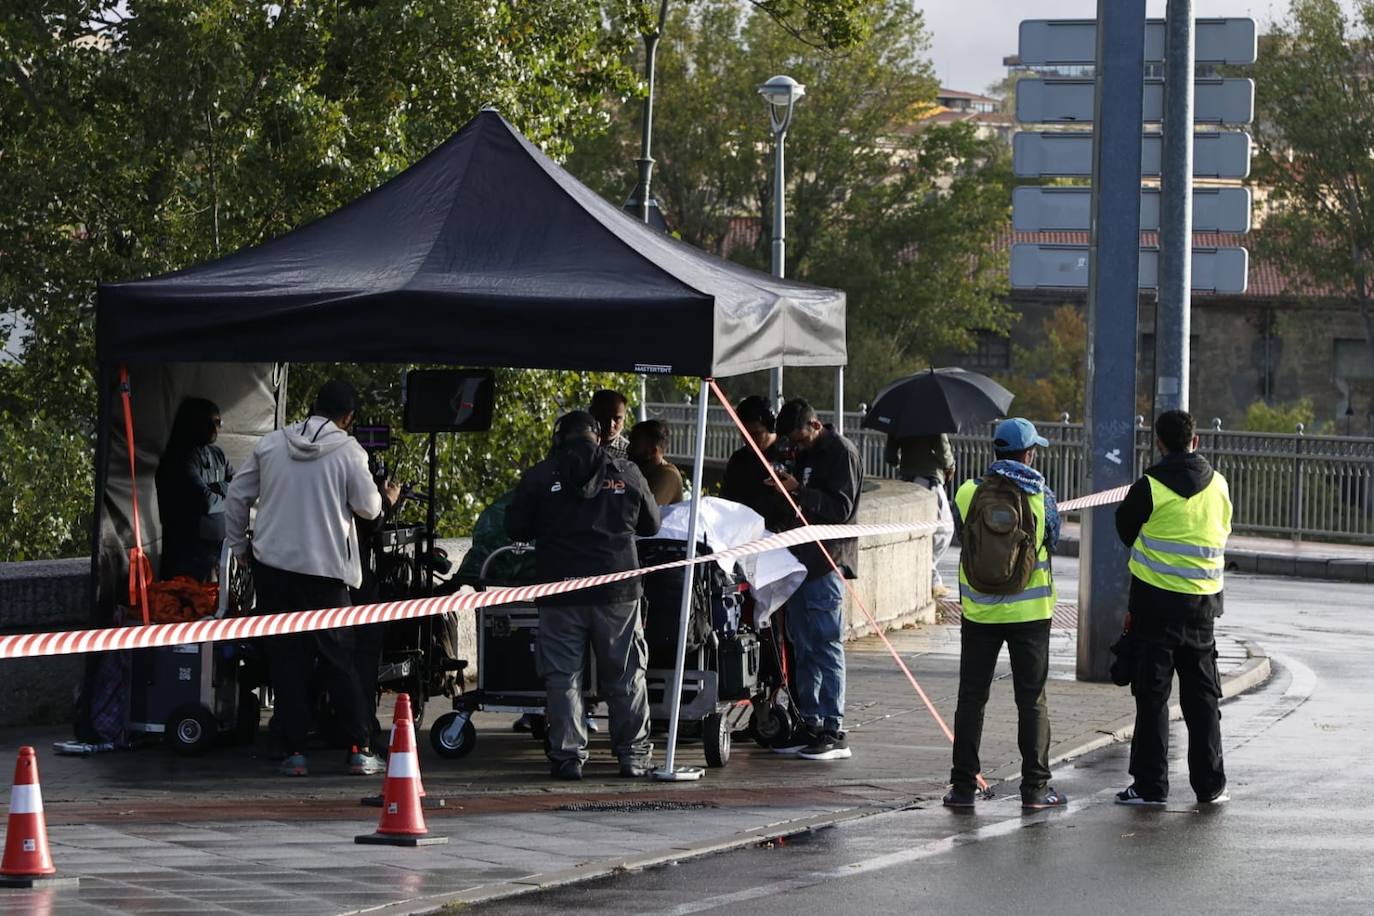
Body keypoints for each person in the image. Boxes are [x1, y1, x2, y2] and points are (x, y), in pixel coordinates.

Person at [225, 379, 400, 777]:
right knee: (340, 661)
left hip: (274, 571)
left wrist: (240, 548)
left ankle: (294, 753)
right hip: (325, 575)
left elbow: (237, 494)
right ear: (348, 418)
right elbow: (369, 509)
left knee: (287, 663)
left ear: (313, 406)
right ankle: (359, 747)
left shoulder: (272, 444)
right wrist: (387, 498)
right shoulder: (348, 451)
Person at [505, 410, 661, 780]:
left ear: (560, 438)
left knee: (563, 678)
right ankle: (633, 757)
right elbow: (651, 525)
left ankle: (568, 757)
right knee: (625, 675)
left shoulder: (540, 476)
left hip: (560, 592)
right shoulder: (628, 473)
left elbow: (515, 528)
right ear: (598, 436)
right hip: (618, 591)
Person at [944, 418, 1066, 811]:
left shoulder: (968, 492)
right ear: (1028, 453)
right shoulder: (1041, 496)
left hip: (980, 614)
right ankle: (1035, 790)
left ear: (995, 451)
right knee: (1031, 701)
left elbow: (962, 535)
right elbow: (1053, 539)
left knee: (971, 698)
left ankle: (963, 788)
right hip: (1031, 614)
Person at [1113, 409, 1233, 807]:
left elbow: (1125, 530)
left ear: (1160, 444)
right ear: (1195, 441)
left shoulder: (1148, 487)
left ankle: (1150, 786)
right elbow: (1224, 530)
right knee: (1202, 700)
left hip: (1154, 607)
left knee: (1152, 699)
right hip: (1202, 610)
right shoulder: (1219, 486)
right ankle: (1210, 785)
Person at [767, 399, 862, 762]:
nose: (797, 448)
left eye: (800, 440)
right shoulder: (804, 452)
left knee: (825, 643)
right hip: (801, 559)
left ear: (815, 424)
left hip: (827, 561)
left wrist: (799, 490)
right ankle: (810, 719)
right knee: (802, 644)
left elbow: (840, 508)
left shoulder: (841, 453)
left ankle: (833, 727)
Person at [156, 397, 234, 582]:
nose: (215, 429)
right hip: (189, 553)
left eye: (218, 423)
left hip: (218, 549)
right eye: (209, 423)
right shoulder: (180, 457)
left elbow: (240, 488)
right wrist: (225, 493)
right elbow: (205, 502)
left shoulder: (218, 454)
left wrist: (217, 487)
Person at [885, 432, 957, 598]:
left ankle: (930, 577)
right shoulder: (933, 418)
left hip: (907, 480)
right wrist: (950, 466)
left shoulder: (900, 419)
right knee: (944, 529)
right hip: (929, 479)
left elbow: (890, 457)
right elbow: (943, 450)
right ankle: (931, 577)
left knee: (916, 531)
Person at [721, 395, 792, 528]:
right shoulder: (738, 460)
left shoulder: (789, 456)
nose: (749, 440)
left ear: (772, 428)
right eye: (744, 434)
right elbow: (726, 500)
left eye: (756, 434)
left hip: (778, 535)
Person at [628, 419, 684, 506]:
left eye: (634, 445)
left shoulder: (669, 475)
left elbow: (643, 511)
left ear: (653, 451)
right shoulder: (642, 471)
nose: (628, 449)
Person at [589, 389, 630, 461]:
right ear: (592, 413)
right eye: (604, 417)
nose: (610, 424)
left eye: (617, 419)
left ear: (624, 418)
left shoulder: (629, 452)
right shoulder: (577, 448)